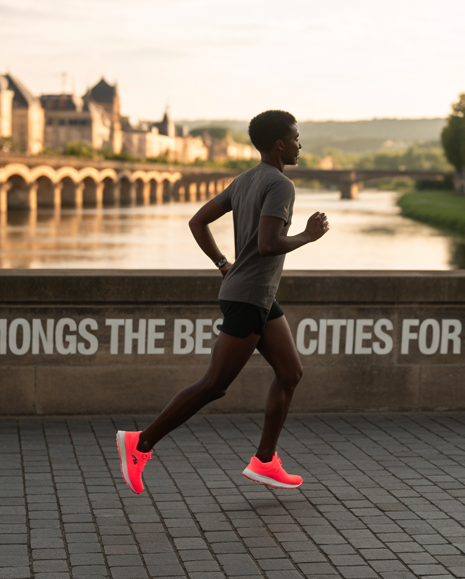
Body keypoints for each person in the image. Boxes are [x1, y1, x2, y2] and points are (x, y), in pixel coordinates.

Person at [116, 110, 330, 494]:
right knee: (213, 385)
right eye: (297, 137)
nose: (301, 144)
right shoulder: (280, 185)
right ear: (279, 144)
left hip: (258, 296)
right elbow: (267, 245)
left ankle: (265, 461)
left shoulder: (244, 179)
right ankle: (140, 443)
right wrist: (307, 237)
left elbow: (197, 221)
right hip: (248, 297)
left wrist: (222, 264)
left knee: (290, 373)